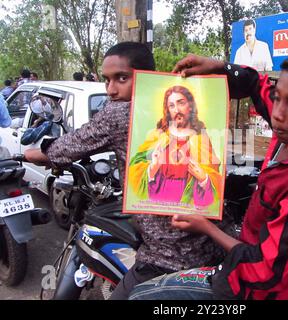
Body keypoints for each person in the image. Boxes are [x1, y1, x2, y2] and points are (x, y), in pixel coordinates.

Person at [128, 45, 288, 300]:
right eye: (277, 98)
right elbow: (256, 84)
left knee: (143, 297)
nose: (276, 114)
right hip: (244, 250)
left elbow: (266, 272)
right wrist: (220, 66)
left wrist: (207, 227)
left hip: (251, 288)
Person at [23, 41, 234, 300]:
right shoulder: (195, 131)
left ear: (148, 78)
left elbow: (66, 147)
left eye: (121, 78)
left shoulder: (121, 114)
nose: (111, 90)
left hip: (166, 257)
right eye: (107, 80)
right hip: (215, 246)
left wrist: (34, 154)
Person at [128, 85, 221, 207]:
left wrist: (203, 178)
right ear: (168, 110)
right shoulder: (158, 135)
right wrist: (153, 167)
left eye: (181, 103)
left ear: (190, 106)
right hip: (157, 198)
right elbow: (134, 168)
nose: (176, 109)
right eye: (171, 105)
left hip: (187, 202)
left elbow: (214, 176)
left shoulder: (201, 139)